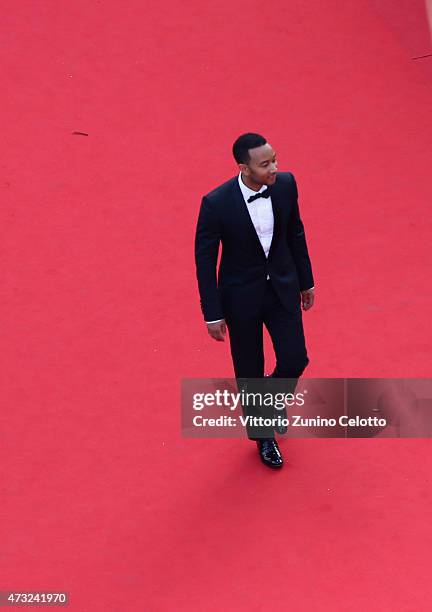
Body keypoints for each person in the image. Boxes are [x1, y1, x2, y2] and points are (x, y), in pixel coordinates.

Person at [194, 133, 315, 469]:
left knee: (295, 358)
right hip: (240, 299)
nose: (274, 167)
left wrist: (306, 281)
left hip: (281, 288)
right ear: (243, 168)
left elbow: (296, 233)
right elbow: (205, 261)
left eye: (275, 159)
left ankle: (269, 403)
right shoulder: (216, 203)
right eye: (265, 164)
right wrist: (213, 312)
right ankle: (263, 436)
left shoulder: (287, 185)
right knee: (249, 371)